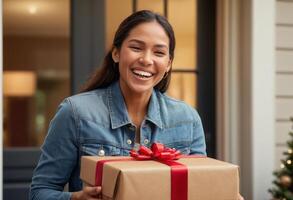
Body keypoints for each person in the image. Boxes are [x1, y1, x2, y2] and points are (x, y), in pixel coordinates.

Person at [30, 10, 243, 200]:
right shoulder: (75, 113)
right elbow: (40, 191)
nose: (146, 59)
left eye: (159, 52)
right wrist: (75, 199)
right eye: (136, 47)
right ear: (116, 53)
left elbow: (200, 188)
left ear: (168, 64)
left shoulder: (187, 118)